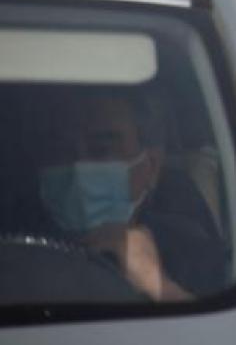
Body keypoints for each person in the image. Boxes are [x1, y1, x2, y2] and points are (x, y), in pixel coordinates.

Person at [35, 89, 225, 301]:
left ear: (151, 166)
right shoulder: (17, 256)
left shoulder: (191, 253)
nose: (79, 168)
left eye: (102, 150)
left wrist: (158, 285)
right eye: (62, 151)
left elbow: (231, 330)